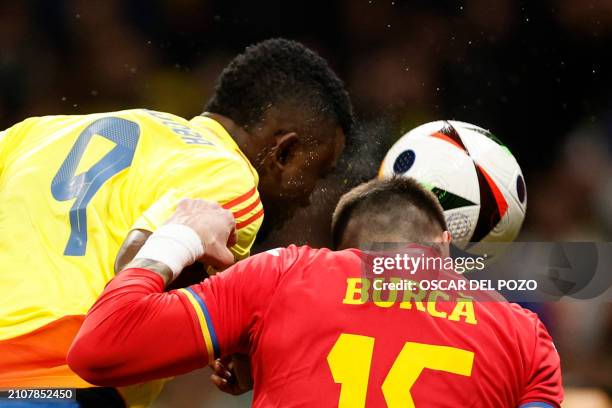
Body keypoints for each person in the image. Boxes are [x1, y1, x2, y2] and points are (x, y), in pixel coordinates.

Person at [0, 38, 352, 406]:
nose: (310, 196)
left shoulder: (39, 133)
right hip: (63, 386)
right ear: (285, 151)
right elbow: (134, 265)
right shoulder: (229, 177)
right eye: (317, 172)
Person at [67, 177, 563, 407]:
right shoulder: (525, 336)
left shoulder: (283, 275)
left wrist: (180, 235)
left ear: (346, 250)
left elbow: (100, 349)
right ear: (443, 246)